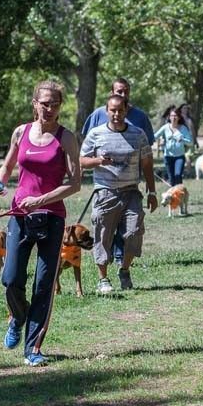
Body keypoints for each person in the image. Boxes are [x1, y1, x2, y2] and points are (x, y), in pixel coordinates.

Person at [0, 80, 81, 366]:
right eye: (45, 103)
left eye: (55, 103)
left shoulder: (66, 138)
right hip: (19, 215)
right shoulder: (22, 132)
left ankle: (33, 348)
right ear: (35, 104)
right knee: (10, 278)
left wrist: (41, 201)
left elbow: (76, 183)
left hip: (52, 218)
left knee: (44, 284)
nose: (50, 108)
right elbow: (7, 166)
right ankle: (18, 317)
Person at [80, 94, 158, 293]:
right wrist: (98, 161)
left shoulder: (138, 134)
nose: (116, 114)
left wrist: (152, 192)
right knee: (103, 234)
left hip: (131, 191)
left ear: (126, 110)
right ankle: (103, 278)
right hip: (106, 192)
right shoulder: (96, 134)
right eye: (112, 110)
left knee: (133, 232)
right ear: (107, 111)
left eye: (120, 110)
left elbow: (147, 164)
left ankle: (124, 269)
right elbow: (81, 160)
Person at [154, 107, 192, 185]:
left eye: (175, 116)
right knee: (171, 179)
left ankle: (181, 194)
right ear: (169, 117)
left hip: (179, 157)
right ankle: (173, 195)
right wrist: (144, 139)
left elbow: (190, 142)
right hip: (168, 157)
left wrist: (182, 140)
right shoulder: (165, 127)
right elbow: (155, 136)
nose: (173, 118)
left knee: (178, 176)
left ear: (179, 117)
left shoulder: (183, 128)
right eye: (172, 116)